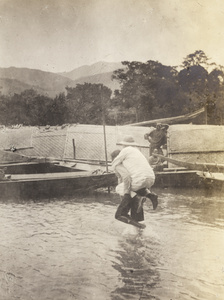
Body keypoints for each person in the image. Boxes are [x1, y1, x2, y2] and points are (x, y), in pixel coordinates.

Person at [111, 135, 158, 228]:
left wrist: (127, 194)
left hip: (139, 181)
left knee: (119, 188)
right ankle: (147, 195)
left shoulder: (121, 160)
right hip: (150, 179)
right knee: (133, 193)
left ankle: (137, 198)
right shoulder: (136, 153)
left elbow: (126, 177)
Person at [111, 149, 146, 229]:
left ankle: (140, 228)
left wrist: (125, 193)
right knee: (137, 217)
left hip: (131, 190)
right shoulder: (130, 164)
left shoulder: (119, 165)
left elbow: (125, 178)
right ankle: (141, 232)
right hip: (138, 189)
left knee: (119, 215)